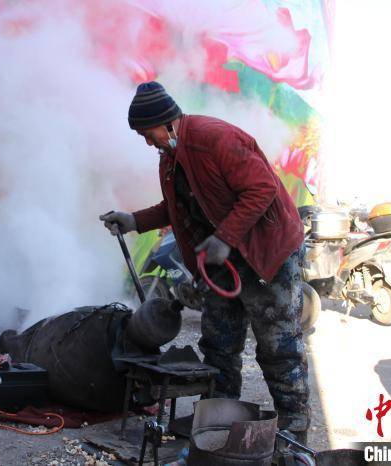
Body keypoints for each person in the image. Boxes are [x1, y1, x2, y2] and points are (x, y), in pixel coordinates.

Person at [100, 81, 310, 442]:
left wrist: (225, 238)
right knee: (218, 346)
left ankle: (294, 428)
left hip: (265, 254)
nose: (147, 142)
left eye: (147, 134)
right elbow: (175, 208)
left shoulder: (215, 138)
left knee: (278, 348)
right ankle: (219, 424)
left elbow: (262, 189)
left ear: (167, 122)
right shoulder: (170, 160)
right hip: (223, 262)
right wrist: (135, 220)